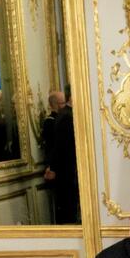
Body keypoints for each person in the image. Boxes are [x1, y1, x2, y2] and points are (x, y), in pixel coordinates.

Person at [40, 90, 78, 223]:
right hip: (66, 174)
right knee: (69, 213)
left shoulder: (64, 115)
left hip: (65, 172)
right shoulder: (66, 117)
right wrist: (54, 168)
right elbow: (60, 147)